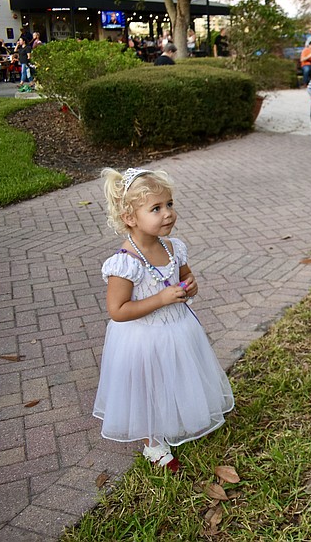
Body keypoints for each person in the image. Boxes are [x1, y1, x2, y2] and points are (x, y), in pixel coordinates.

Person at [95, 167, 234, 471]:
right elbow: (117, 311)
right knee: (147, 387)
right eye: (156, 208)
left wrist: (190, 285)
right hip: (142, 337)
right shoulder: (125, 262)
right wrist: (160, 299)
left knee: (177, 375)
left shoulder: (172, 247)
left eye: (169, 204)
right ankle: (152, 443)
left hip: (177, 328)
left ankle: (178, 418)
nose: (168, 213)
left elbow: (184, 276)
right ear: (130, 218)